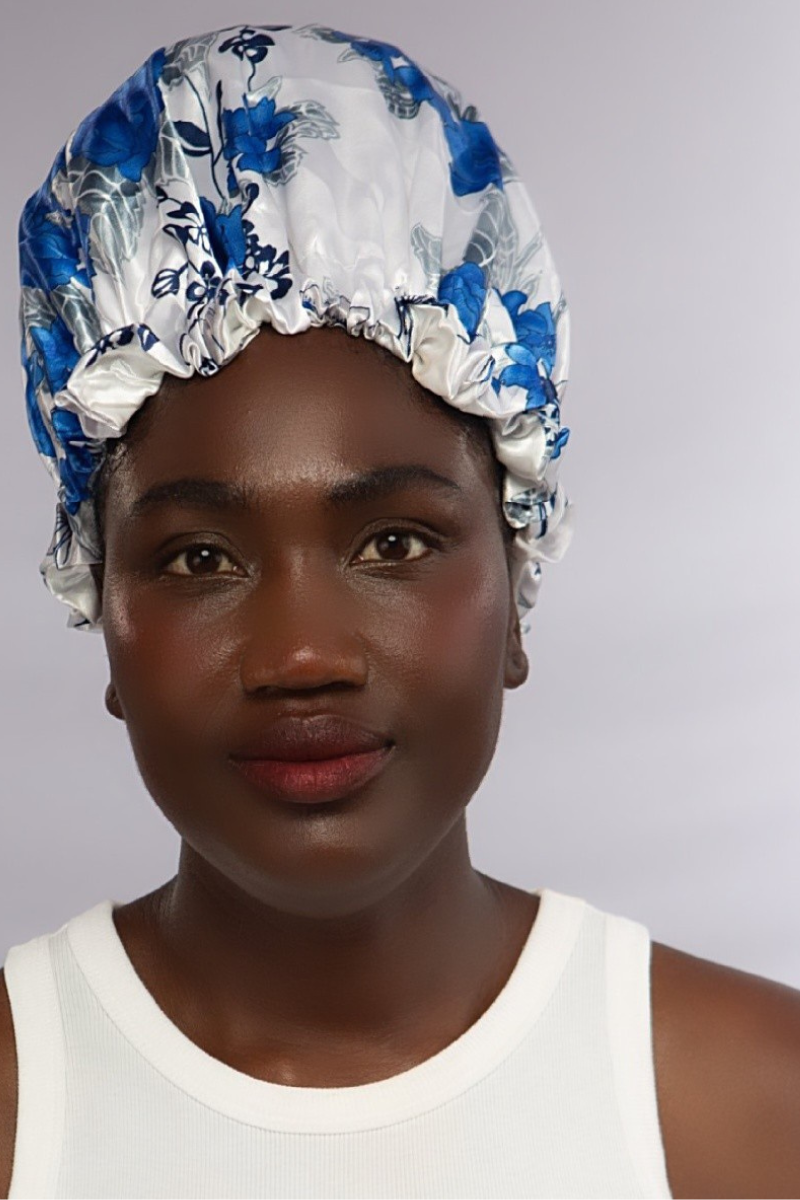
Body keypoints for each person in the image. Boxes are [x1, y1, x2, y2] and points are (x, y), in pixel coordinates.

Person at [2, 22, 799, 1200]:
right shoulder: (21, 1106)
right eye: (197, 558)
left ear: (518, 589)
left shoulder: (750, 1108)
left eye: (392, 542)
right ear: (98, 603)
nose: (303, 654)